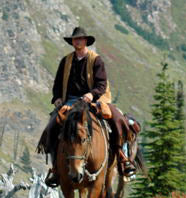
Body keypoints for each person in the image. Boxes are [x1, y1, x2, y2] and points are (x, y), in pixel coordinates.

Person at [38, 26, 137, 187]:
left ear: (86, 41)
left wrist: (91, 94)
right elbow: (57, 84)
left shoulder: (96, 60)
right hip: (70, 101)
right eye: (75, 39)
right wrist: (57, 98)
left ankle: (122, 158)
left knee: (118, 119)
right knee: (52, 125)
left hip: (95, 99)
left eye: (81, 39)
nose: (78, 41)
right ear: (72, 42)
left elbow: (102, 83)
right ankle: (56, 167)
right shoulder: (66, 61)